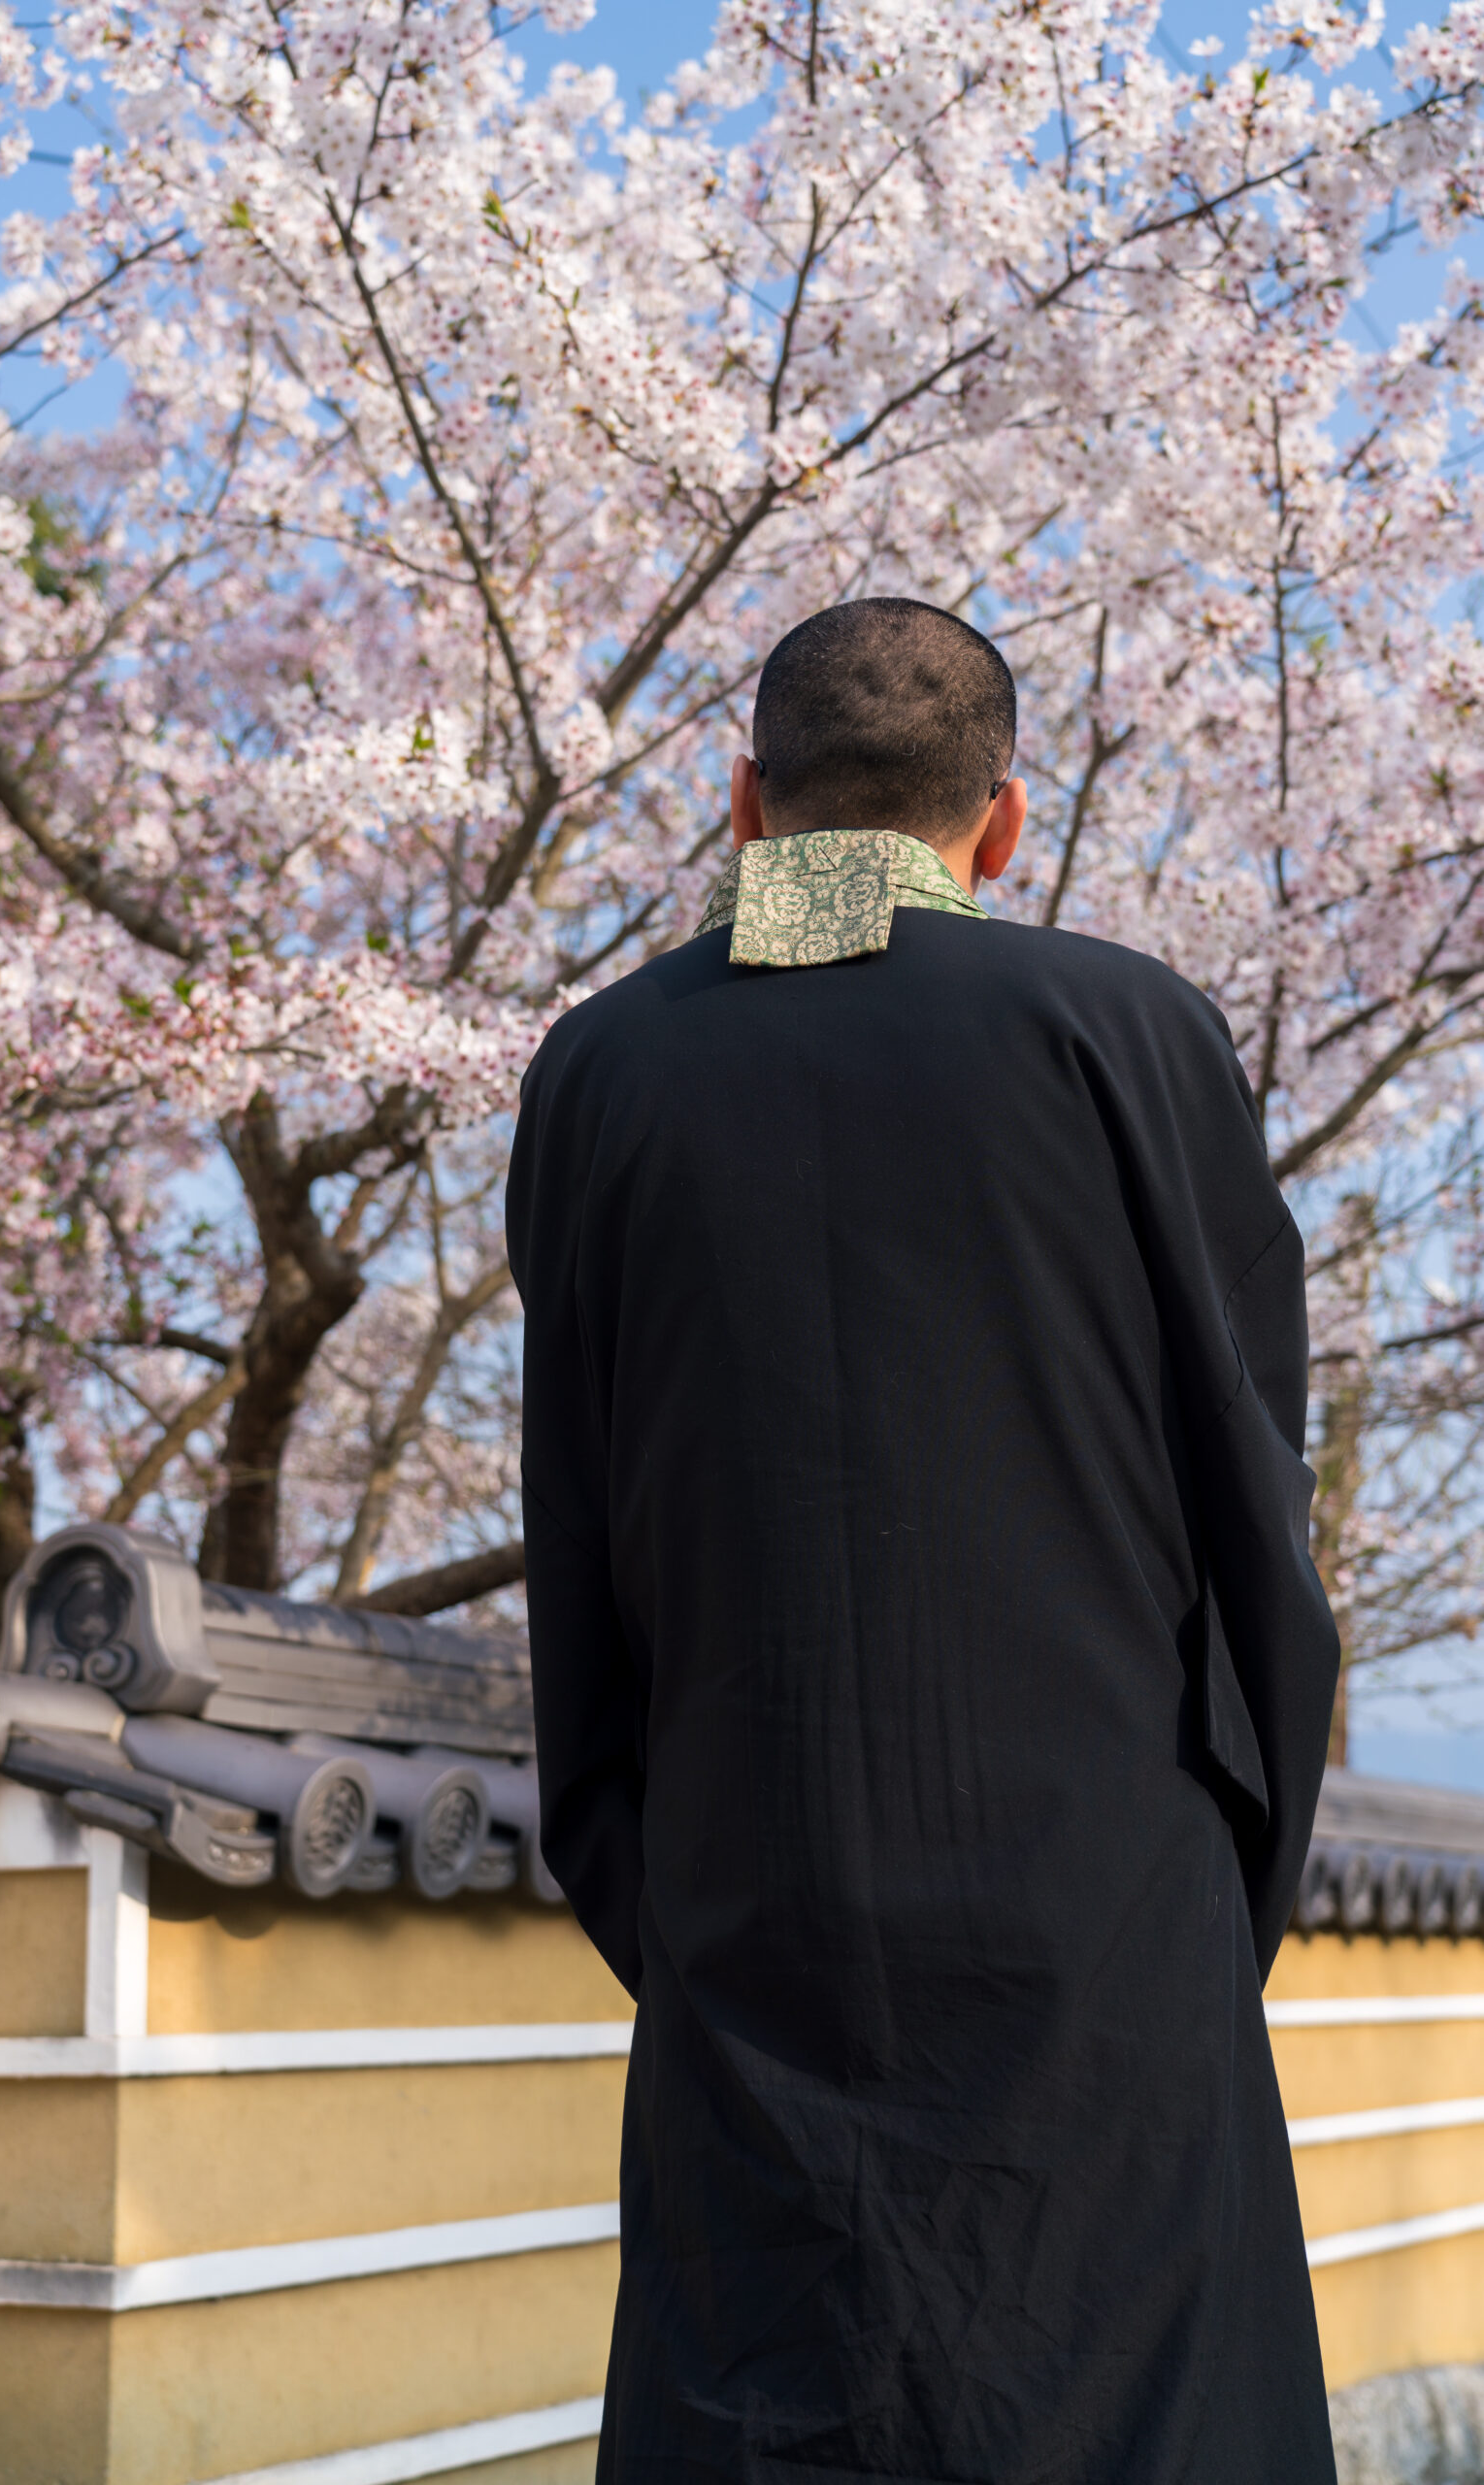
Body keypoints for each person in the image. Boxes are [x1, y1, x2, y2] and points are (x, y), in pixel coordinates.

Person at [507, 598, 1339, 2483]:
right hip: (1101, 1926)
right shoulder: (1123, 1031)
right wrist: (1213, 1886)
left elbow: (580, 1528)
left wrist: (673, 1889)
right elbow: (1246, 1509)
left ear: (742, 805)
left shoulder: (600, 1073)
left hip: (747, 1913)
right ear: (1002, 823)